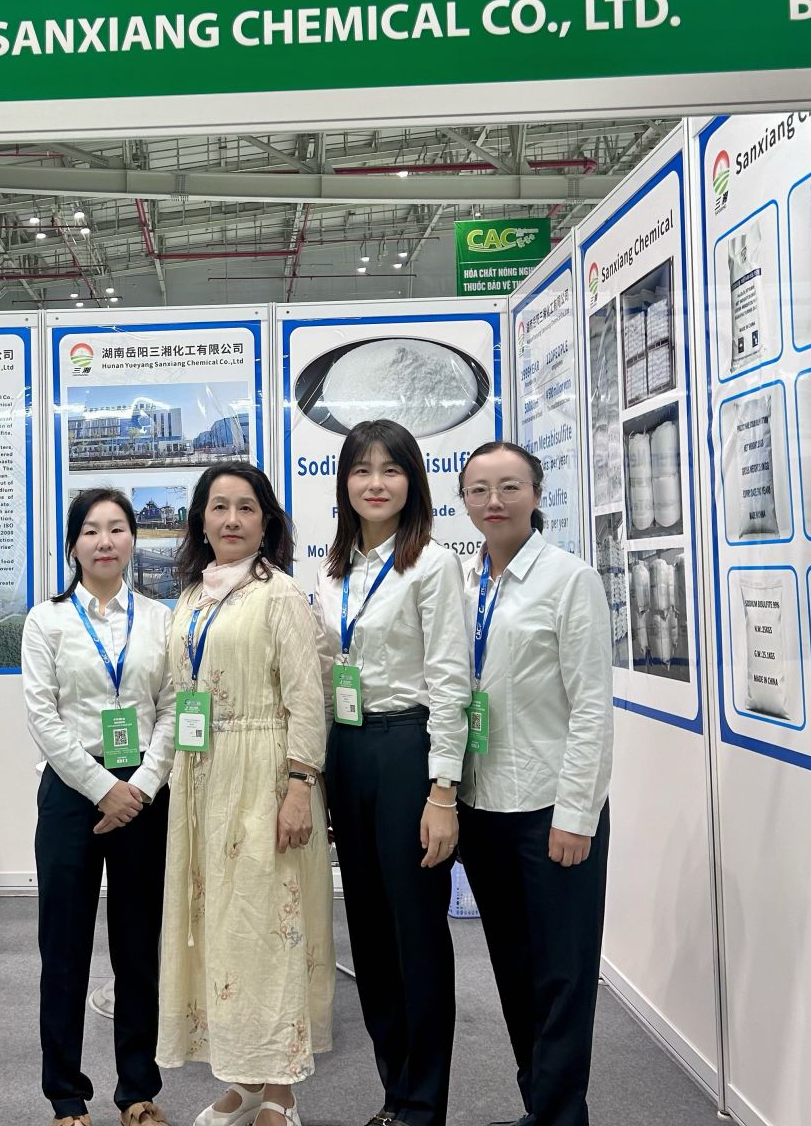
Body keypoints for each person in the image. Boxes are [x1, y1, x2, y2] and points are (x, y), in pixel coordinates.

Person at [155, 462, 334, 1126]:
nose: (231, 520)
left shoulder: (279, 594)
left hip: (265, 775)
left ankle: (281, 1090)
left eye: (246, 508)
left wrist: (299, 786)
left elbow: (306, 699)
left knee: (269, 928)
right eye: (219, 507)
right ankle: (245, 1077)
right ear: (200, 519)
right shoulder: (191, 597)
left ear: (266, 522)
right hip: (203, 777)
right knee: (222, 929)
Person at [312, 419, 472, 1126]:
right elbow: (325, 673)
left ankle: (423, 1103)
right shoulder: (333, 569)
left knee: (416, 932)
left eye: (391, 470)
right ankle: (393, 1092)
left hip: (408, 748)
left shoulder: (431, 565)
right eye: (361, 470)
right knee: (370, 933)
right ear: (344, 482)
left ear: (413, 481)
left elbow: (450, 681)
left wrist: (443, 791)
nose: (375, 483)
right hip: (347, 751)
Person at [454, 441, 613, 1126]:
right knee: (515, 970)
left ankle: (560, 1116)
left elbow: (592, 707)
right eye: (480, 489)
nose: (494, 501)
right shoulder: (463, 583)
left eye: (510, 486)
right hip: (483, 806)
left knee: (564, 976)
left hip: (552, 808)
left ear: (537, 495)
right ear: (464, 501)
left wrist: (577, 814)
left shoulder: (569, 580)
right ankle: (542, 1108)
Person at [22, 488, 177, 1126]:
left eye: (116, 528)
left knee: (138, 948)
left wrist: (140, 785)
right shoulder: (47, 620)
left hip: (144, 792)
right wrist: (101, 788)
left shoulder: (161, 618)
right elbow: (43, 716)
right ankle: (65, 1096)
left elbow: (174, 707)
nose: (105, 541)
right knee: (64, 948)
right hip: (72, 793)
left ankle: (138, 1091)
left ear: (134, 539)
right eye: (91, 530)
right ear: (73, 544)